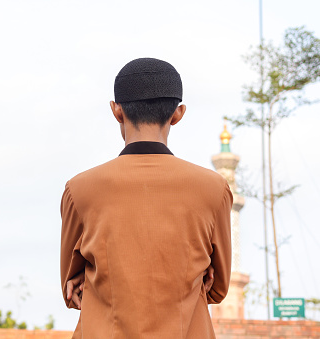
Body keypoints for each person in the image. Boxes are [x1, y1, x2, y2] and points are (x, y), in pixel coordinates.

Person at [60, 58, 233, 338]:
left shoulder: (79, 189)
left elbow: (71, 289)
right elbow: (218, 287)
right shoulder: (214, 188)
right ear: (178, 114)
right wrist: (195, 278)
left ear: (116, 111)